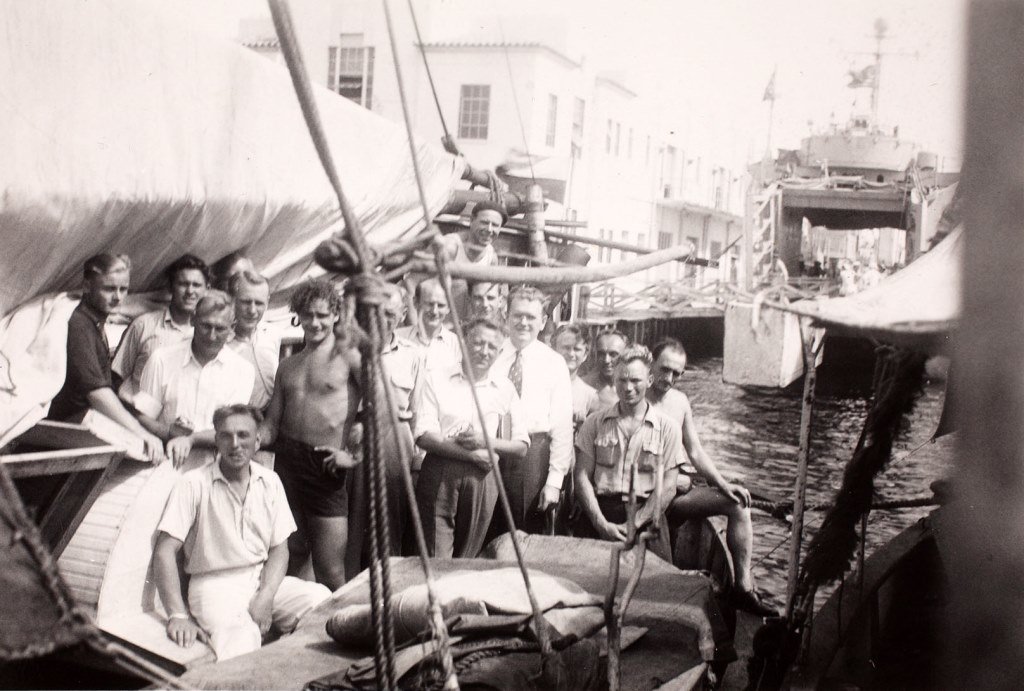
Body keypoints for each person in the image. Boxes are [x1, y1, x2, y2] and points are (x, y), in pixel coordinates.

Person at [153, 404, 331, 661]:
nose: (235, 444)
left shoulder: (270, 481)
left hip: (260, 579)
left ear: (258, 441)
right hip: (214, 588)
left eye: (243, 435)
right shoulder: (193, 483)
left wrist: (267, 595)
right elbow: (165, 551)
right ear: (216, 440)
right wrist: (177, 616)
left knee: (320, 601)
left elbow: (278, 548)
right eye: (226, 435)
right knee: (241, 639)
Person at [647, 338, 778, 617]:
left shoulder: (680, 402)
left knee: (738, 505)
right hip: (645, 495)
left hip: (676, 493)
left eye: (677, 373)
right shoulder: (634, 397)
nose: (669, 378)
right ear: (651, 363)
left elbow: (695, 451)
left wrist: (723, 484)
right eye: (664, 369)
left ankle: (743, 589)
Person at [260, 279, 360, 591]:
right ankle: (289, 629)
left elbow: (382, 406)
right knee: (289, 555)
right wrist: (250, 438)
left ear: (336, 316)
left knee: (330, 568)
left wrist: (355, 454)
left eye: (322, 315)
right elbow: (271, 424)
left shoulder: (350, 359)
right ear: (297, 317)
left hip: (325, 465)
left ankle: (341, 632)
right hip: (287, 464)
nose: (314, 322)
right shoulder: (287, 365)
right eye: (307, 315)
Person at [414, 318, 529, 557]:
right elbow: (424, 436)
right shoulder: (437, 378)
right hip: (441, 471)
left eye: (491, 347)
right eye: (478, 343)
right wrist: (472, 454)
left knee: (468, 557)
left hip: (483, 477)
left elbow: (521, 446)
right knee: (436, 555)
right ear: (464, 342)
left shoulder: (505, 388)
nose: (484, 351)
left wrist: (484, 441)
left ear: (499, 352)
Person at [47, 254, 164, 461]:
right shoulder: (79, 324)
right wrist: (142, 432)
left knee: (153, 443)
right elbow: (97, 394)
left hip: (86, 416)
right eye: (109, 289)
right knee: (147, 451)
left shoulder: (94, 322)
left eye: (123, 289)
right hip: (67, 421)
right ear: (86, 286)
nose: (118, 297)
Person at [573, 346, 678, 560]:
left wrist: (636, 522)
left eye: (635, 381)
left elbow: (668, 487)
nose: (628, 387)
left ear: (649, 380)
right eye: (621, 380)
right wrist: (600, 523)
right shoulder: (594, 424)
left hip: (647, 519)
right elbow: (581, 476)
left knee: (657, 586)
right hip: (601, 514)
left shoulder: (668, 428)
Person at [345, 281, 421, 575]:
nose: (383, 319)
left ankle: (389, 584)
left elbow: (418, 411)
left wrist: (415, 462)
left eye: (390, 313)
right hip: (356, 435)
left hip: (396, 438)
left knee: (390, 520)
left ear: (402, 315)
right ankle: (348, 584)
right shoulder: (350, 349)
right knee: (353, 519)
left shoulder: (413, 355)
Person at [134, 291, 255, 466]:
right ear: (193, 320)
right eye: (206, 326)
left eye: (220, 328)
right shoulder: (162, 359)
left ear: (232, 327)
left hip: (215, 469)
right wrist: (169, 432)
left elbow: (233, 430)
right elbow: (142, 417)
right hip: (164, 464)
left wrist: (190, 439)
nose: (211, 336)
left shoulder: (243, 370)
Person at [491, 286, 573, 533]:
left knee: (524, 534)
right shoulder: (491, 354)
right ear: (506, 316)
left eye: (531, 317)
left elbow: (561, 427)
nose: (523, 322)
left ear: (543, 322)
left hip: (531, 461)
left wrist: (554, 482)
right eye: (517, 315)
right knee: (484, 532)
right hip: (489, 452)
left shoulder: (554, 363)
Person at [113, 254, 210, 405]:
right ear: (171, 287)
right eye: (183, 284)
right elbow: (116, 376)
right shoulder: (144, 325)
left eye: (196, 285)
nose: (190, 291)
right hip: (137, 418)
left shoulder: (210, 335)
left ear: (207, 290)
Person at [226, 271, 280, 410]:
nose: (252, 310)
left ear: (267, 303)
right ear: (232, 300)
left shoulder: (272, 334)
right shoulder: (219, 340)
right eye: (246, 301)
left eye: (259, 303)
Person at [442, 201, 505, 318]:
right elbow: (412, 286)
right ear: (471, 220)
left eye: (495, 225)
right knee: (459, 284)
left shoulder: (491, 257)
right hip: (436, 319)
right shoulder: (450, 247)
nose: (489, 229)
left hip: (465, 323)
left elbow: (493, 297)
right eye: (485, 223)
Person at [396, 278, 462, 375]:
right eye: (429, 304)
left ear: (448, 307)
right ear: (415, 303)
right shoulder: (398, 339)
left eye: (441, 305)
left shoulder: (456, 344)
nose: (434, 311)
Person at [552, 323, 600, 433]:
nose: (571, 354)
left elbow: (592, 438)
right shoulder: (537, 384)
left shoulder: (590, 396)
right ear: (554, 350)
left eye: (577, 349)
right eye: (566, 347)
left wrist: (582, 425)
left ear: (585, 354)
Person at [584, 330, 629, 410]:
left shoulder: (634, 387)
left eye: (613, 354)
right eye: (601, 354)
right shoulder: (585, 385)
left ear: (625, 355)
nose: (606, 360)